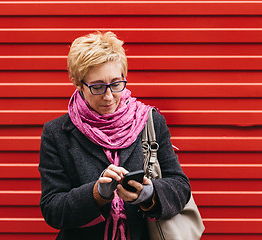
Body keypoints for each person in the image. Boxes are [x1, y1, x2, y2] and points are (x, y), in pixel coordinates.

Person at [39, 31, 191, 240]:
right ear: (78, 84)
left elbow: (181, 187)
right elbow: (52, 209)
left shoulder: (150, 121)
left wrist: (148, 194)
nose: (109, 96)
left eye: (116, 83)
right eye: (98, 87)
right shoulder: (57, 133)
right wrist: (96, 194)